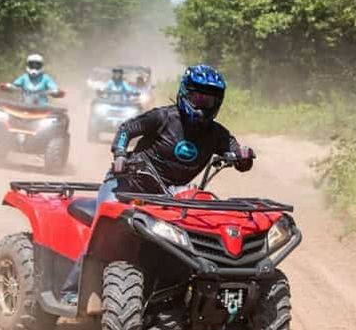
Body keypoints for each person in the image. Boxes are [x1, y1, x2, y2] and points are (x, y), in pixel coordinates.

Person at [60, 64, 255, 304]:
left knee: (187, 235)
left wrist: (243, 155)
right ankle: (71, 291)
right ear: (185, 93)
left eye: (209, 100)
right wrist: (120, 154)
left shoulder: (217, 134)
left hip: (170, 194)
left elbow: (237, 154)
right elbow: (126, 129)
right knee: (104, 230)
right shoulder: (162, 117)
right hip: (126, 185)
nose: (202, 104)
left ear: (217, 103)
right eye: (197, 97)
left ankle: (175, 293)